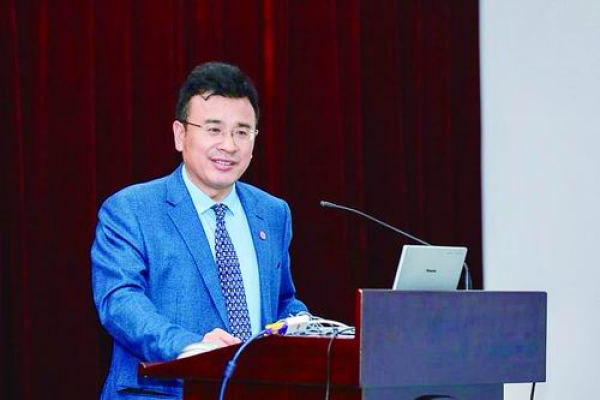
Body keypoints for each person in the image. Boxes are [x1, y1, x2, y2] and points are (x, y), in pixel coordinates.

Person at [91, 61, 307, 399]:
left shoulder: (272, 213)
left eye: (242, 132)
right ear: (180, 135)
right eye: (214, 129)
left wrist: (311, 326)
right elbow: (120, 302)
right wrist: (189, 348)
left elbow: (281, 301)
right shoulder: (131, 209)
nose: (229, 145)